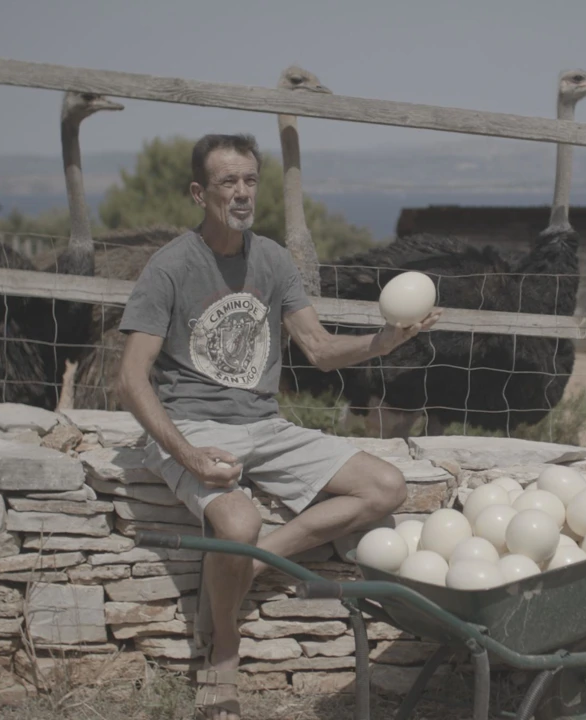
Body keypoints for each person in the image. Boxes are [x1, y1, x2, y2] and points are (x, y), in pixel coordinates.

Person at [116, 132, 441, 720]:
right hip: (192, 425)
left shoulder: (271, 260)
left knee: (386, 487)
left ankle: (253, 563)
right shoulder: (170, 267)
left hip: (265, 426)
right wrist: (187, 454)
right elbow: (132, 379)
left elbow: (317, 348)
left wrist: (385, 342)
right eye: (226, 182)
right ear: (199, 192)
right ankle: (222, 652)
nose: (241, 194)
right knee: (236, 519)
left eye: (249, 181)